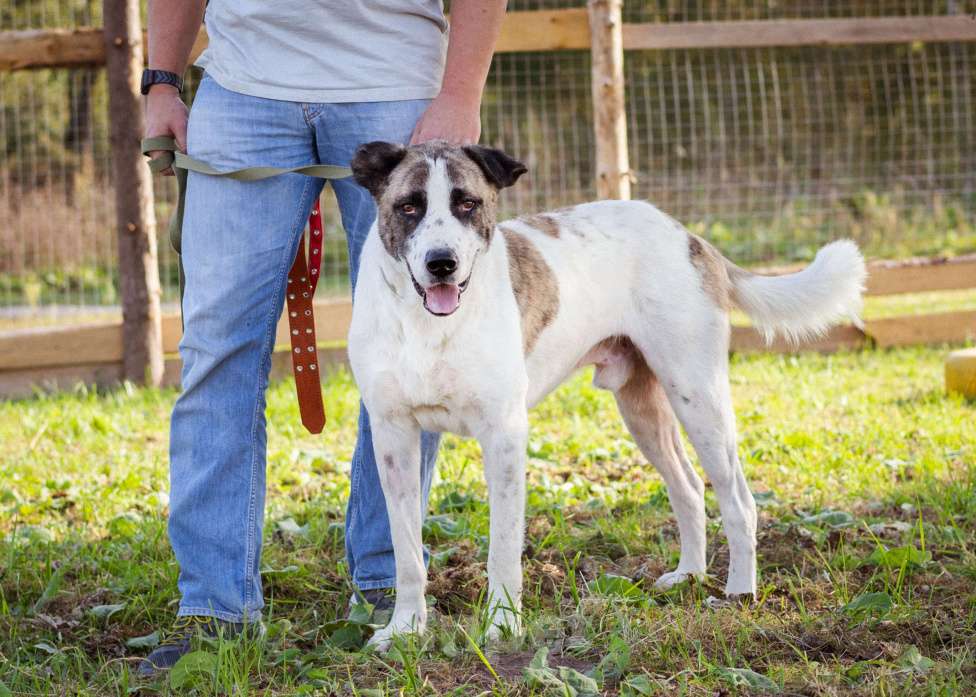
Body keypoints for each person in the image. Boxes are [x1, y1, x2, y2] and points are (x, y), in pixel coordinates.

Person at [138, 0, 507, 676]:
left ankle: (387, 586)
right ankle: (215, 610)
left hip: (395, 80)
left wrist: (460, 93)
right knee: (215, 348)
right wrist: (161, 78)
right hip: (241, 86)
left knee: (414, 343)